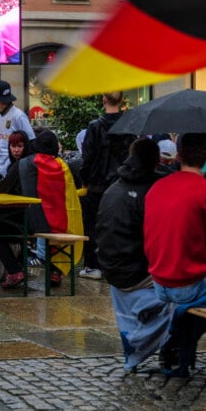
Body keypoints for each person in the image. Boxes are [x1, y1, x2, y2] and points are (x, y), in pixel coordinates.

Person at [143, 133, 206, 377]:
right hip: (188, 282)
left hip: (158, 280)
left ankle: (176, 345)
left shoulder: (157, 187)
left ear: (179, 155)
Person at [95, 139, 174, 371]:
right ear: (156, 161)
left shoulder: (114, 187)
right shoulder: (152, 191)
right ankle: (173, 350)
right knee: (195, 289)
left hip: (110, 266)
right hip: (136, 271)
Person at [79, 92, 136, 280]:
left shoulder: (94, 127)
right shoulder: (128, 126)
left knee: (92, 225)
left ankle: (92, 265)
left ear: (103, 100)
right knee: (120, 223)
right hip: (120, 183)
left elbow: (87, 158)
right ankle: (116, 262)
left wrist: (84, 179)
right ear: (121, 100)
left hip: (96, 184)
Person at [18, 129, 83, 288]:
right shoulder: (62, 166)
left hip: (37, 220)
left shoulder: (30, 163)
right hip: (62, 220)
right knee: (54, 227)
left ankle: (22, 265)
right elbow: (69, 196)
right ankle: (56, 271)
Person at [0, 130, 39, 288]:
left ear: (26, 146)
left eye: (20, 146)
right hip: (26, 214)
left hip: (24, 217)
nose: (16, 149)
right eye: (13, 146)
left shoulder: (19, 165)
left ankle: (12, 268)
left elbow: (3, 189)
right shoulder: (25, 163)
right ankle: (8, 263)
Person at [0, 80, 34, 178]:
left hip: (15, 172)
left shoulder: (18, 116)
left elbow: (31, 141)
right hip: (1, 172)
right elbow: (2, 144)